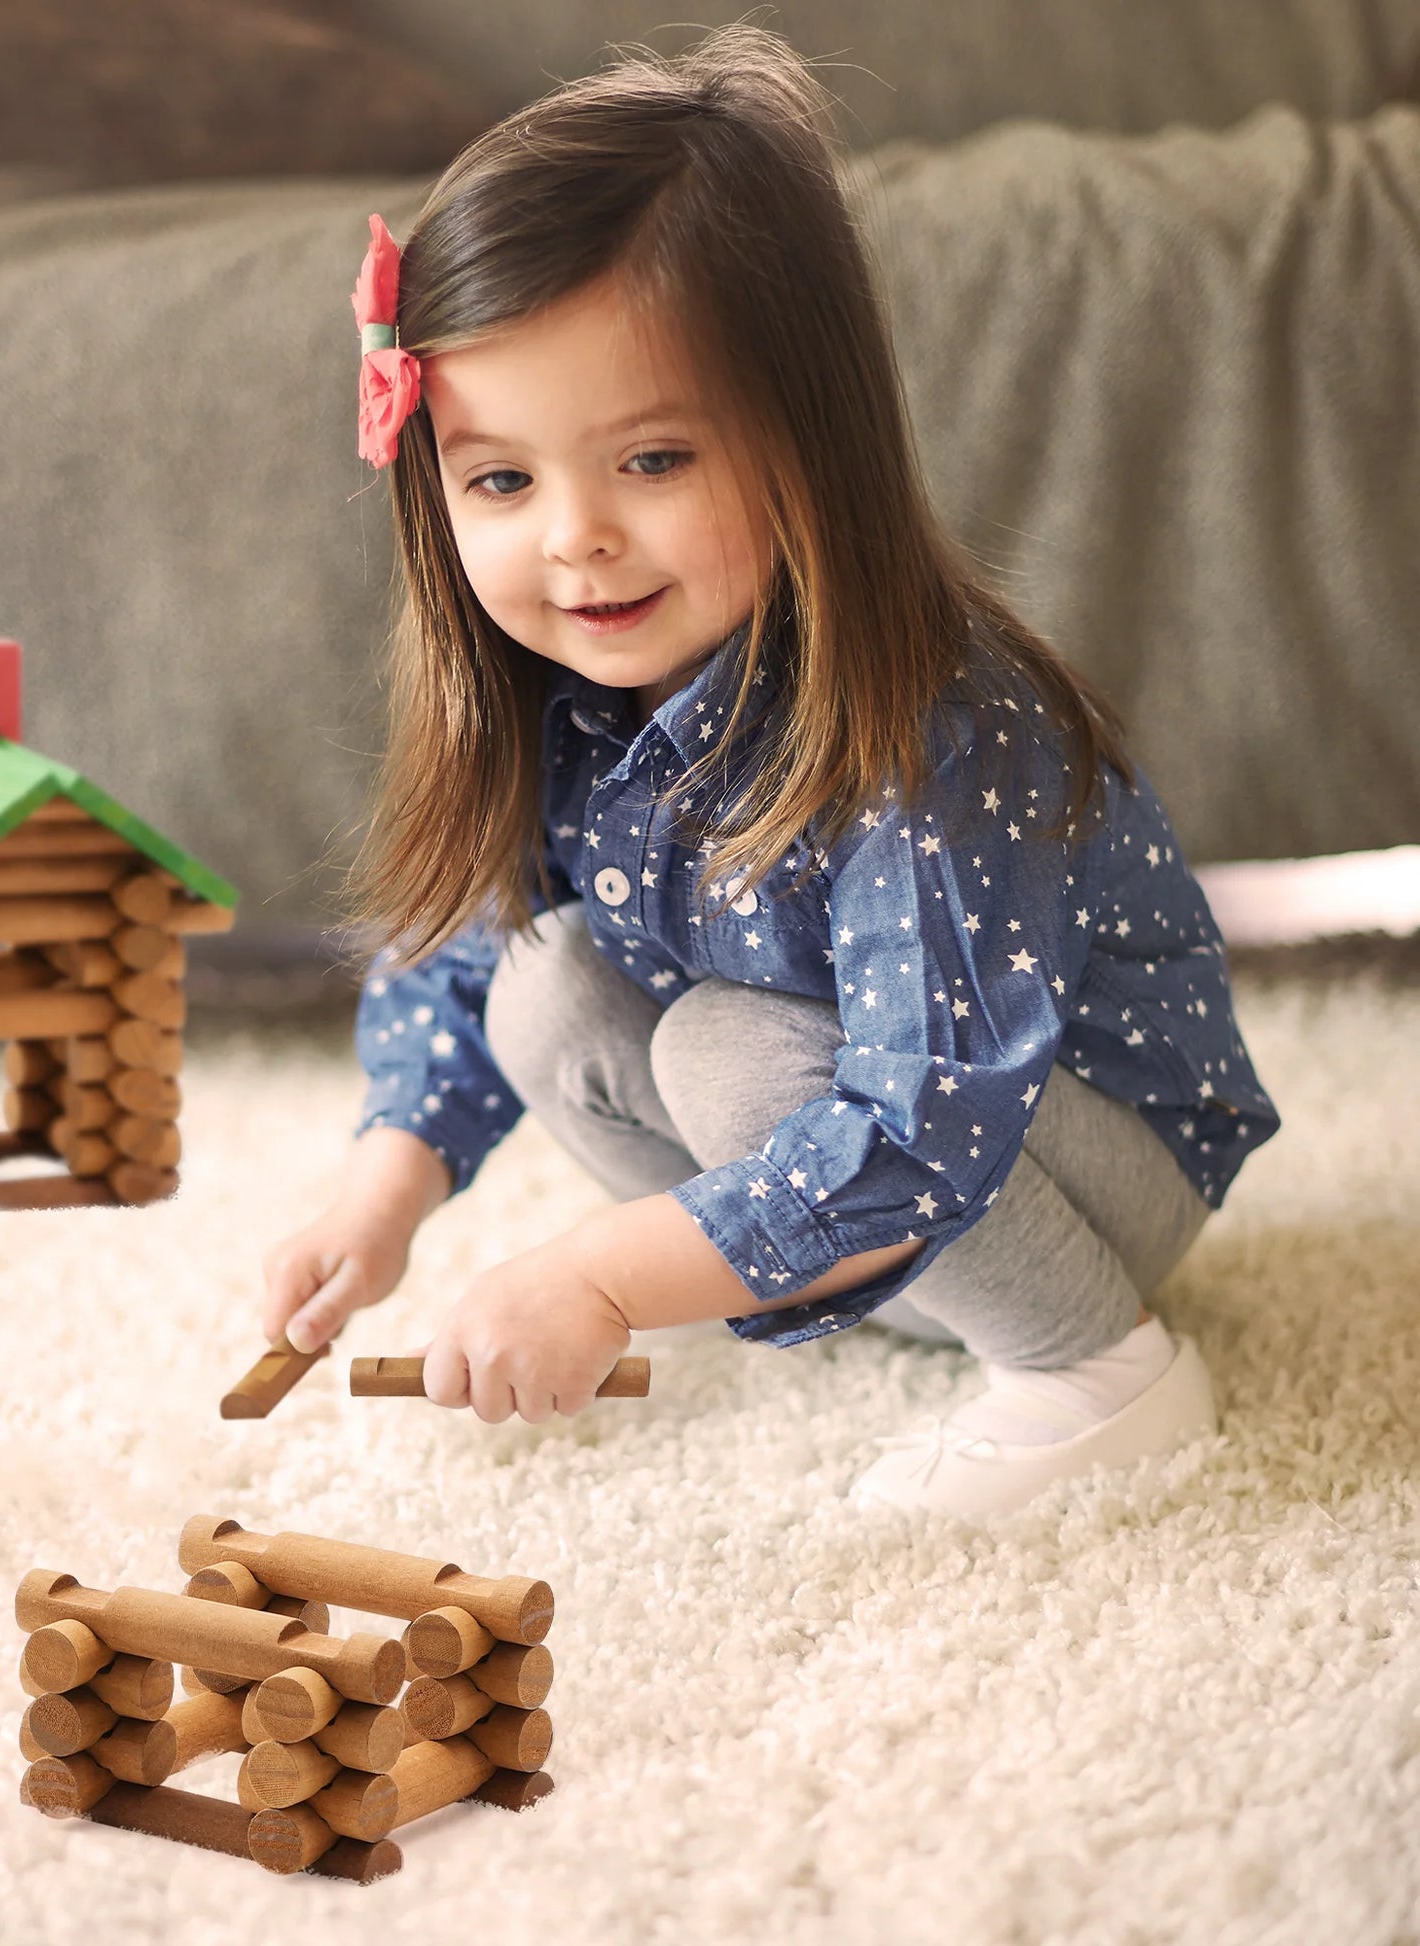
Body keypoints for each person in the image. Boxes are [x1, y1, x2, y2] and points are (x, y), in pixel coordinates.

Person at [258, 24, 1281, 1517]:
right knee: (546, 983)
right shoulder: (555, 690)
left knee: (727, 1051)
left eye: (652, 461)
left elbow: (925, 1113)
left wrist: (597, 1276)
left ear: (806, 440)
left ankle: (1095, 1369)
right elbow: (461, 960)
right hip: (884, 1175)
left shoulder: (928, 721)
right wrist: (383, 1186)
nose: (573, 537)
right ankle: (822, 1286)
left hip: (1083, 1161)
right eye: (500, 479)